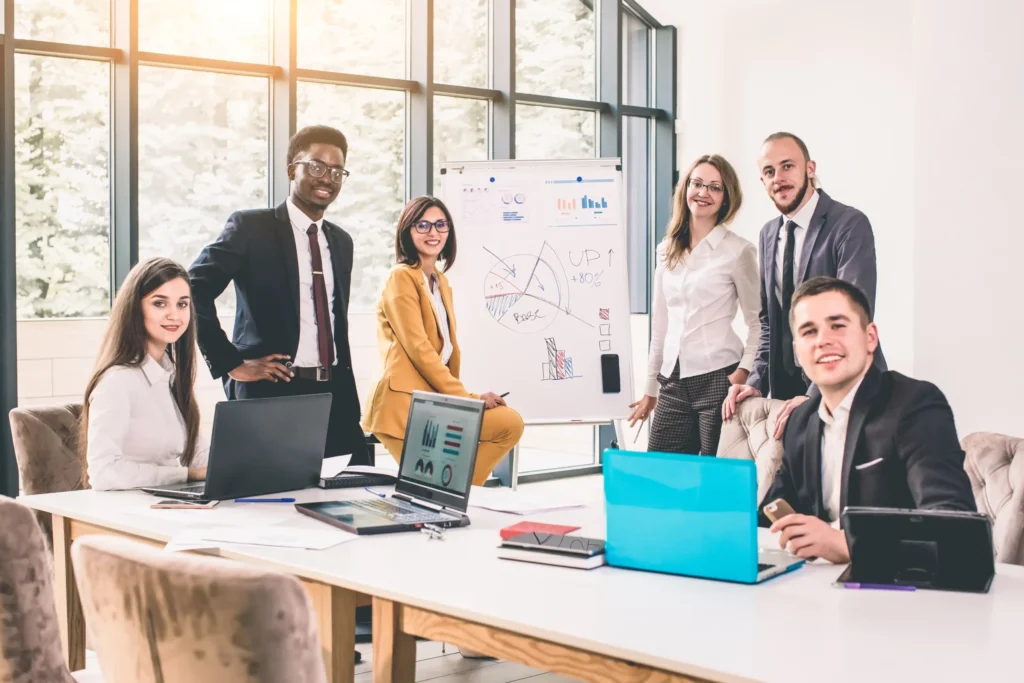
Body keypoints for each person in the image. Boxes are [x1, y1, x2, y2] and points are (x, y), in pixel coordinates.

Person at [761, 276, 975, 564]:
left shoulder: (915, 404)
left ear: (870, 337)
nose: (823, 340)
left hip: (904, 591)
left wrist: (845, 543)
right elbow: (769, 514)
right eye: (809, 331)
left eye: (837, 325)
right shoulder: (800, 421)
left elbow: (955, 528)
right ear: (798, 351)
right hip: (815, 588)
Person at [189, 125, 368, 464]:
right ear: (292, 170)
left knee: (355, 498)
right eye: (316, 166)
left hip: (335, 397)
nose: (326, 178)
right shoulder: (251, 228)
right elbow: (193, 286)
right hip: (271, 394)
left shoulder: (341, 242)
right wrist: (230, 363)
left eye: (336, 171)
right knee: (270, 505)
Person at [722, 132, 887, 439]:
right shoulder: (768, 234)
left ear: (810, 168)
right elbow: (768, 322)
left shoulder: (849, 224)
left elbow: (851, 320)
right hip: (787, 391)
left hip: (845, 389)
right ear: (762, 181)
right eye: (769, 172)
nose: (779, 178)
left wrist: (814, 395)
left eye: (787, 166)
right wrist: (755, 381)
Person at [363, 196, 525, 487]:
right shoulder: (400, 278)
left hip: (432, 403)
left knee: (508, 424)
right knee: (432, 489)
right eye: (422, 225)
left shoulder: (440, 282)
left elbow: (445, 352)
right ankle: (454, 495)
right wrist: (469, 399)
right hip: (402, 406)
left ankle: (460, 493)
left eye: (440, 225)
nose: (432, 232)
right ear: (407, 232)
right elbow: (420, 350)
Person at [628, 154, 759, 455]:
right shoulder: (666, 250)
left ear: (727, 197)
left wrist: (742, 372)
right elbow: (660, 327)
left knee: (713, 479)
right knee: (663, 475)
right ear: (685, 188)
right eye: (697, 183)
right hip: (672, 381)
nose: (703, 193)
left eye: (715, 187)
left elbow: (758, 323)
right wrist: (651, 389)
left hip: (719, 377)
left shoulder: (739, 251)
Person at [81, 258, 208, 491]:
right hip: (126, 512)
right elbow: (103, 473)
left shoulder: (172, 376)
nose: (174, 315)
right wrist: (185, 474)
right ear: (135, 309)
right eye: (160, 303)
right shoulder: (117, 381)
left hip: (166, 503)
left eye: (182, 304)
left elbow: (201, 457)